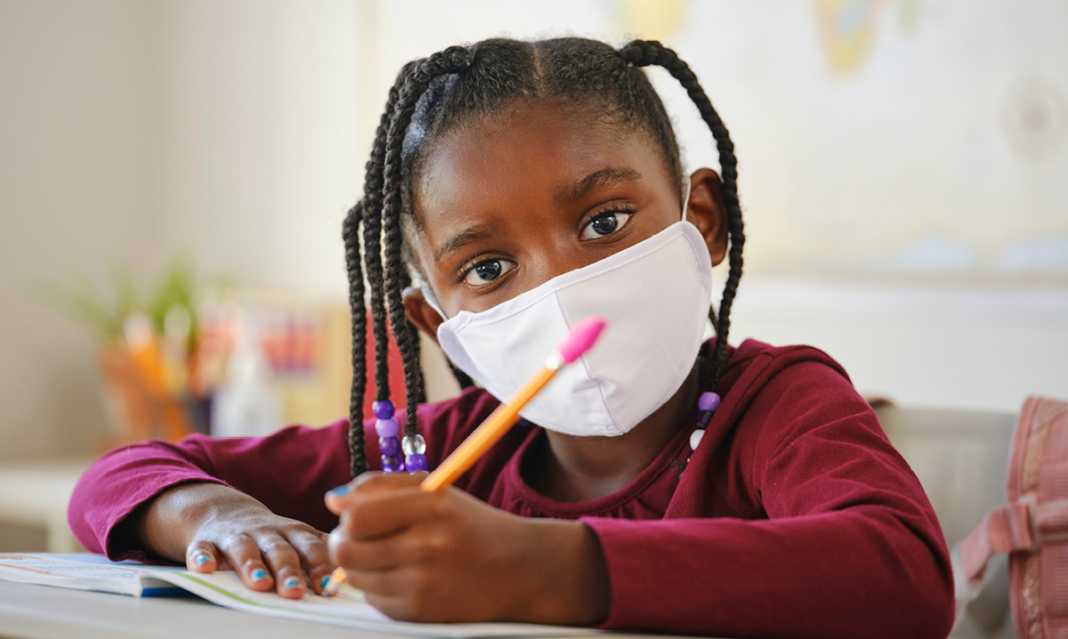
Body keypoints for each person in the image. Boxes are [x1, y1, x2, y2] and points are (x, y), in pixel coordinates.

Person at [69, 38, 954, 638]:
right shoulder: (434, 448)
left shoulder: (776, 404)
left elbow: (904, 573)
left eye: (605, 220)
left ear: (704, 221)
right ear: (439, 326)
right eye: (488, 268)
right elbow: (120, 475)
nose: (561, 288)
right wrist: (222, 515)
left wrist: (543, 569)